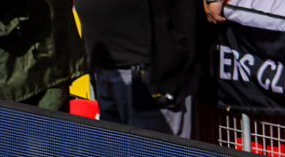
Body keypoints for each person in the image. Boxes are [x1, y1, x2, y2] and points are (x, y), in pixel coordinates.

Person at [72, 0, 211, 136]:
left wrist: (174, 61)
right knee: (116, 156)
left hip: (150, 73)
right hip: (104, 64)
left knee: (157, 156)